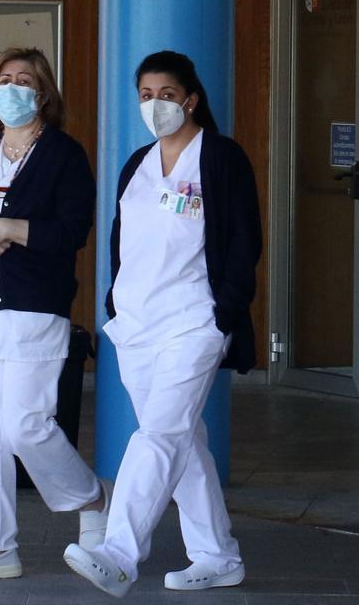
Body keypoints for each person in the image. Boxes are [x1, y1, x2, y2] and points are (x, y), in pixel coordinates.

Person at [63, 50, 260, 598]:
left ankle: (120, 553)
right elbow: (123, 242)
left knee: (157, 435)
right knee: (184, 441)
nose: (156, 105)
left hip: (194, 322)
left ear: (191, 99)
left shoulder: (220, 159)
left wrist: (226, 312)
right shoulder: (138, 164)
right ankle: (217, 556)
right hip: (138, 324)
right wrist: (115, 304)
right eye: (146, 95)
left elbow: (244, 240)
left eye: (167, 95)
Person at [0, 48, 109, 581]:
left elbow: (70, 232)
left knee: (25, 426)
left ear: (43, 93)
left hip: (34, 310)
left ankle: (91, 498)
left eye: (25, 80)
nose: (13, 87)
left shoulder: (64, 154)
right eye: (5, 79)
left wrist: (10, 229)